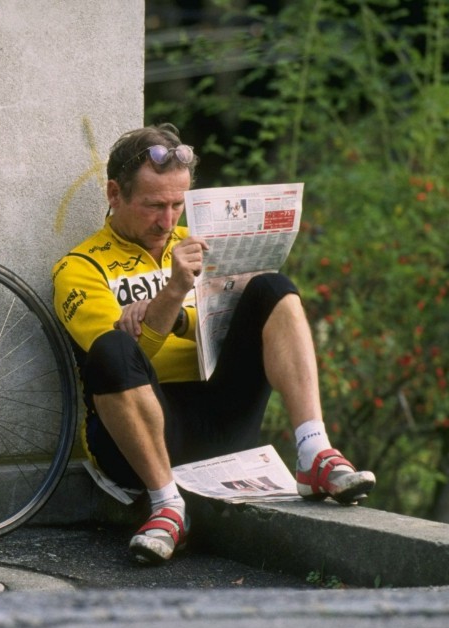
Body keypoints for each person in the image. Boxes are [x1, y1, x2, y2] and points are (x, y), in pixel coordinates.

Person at [51, 123, 375, 564]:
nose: (167, 222)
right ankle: (167, 506)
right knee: (112, 348)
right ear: (114, 194)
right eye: (152, 206)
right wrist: (173, 291)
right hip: (142, 440)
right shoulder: (78, 268)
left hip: (221, 415)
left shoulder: (200, 243)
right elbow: (126, 362)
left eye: (176, 205)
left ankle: (314, 450)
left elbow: (243, 321)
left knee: (274, 288)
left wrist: (173, 317)